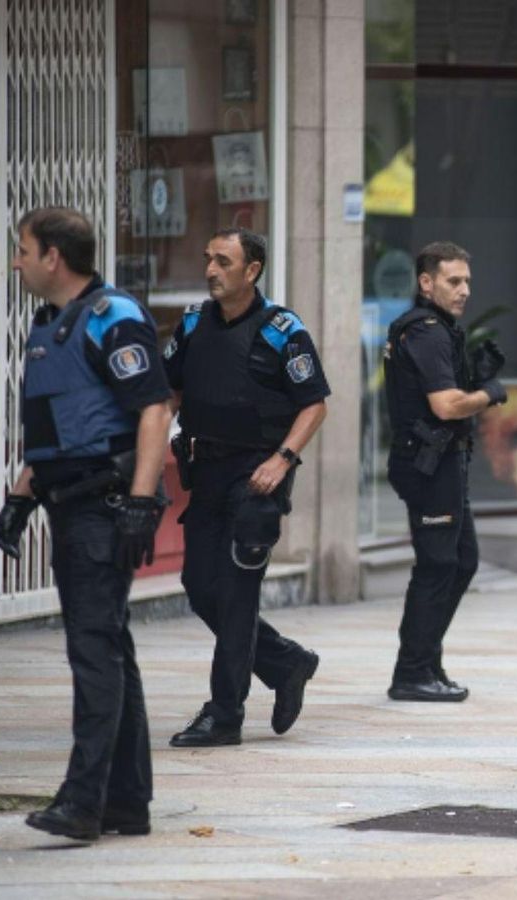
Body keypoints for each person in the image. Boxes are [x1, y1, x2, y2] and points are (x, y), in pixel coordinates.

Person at [0, 206, 171, 842]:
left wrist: (142, 504)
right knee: (110, 649)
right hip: (71, 503)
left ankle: (83, 801)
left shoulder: (111, 317)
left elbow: (153, 408)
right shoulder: (51, 326)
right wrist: (20, 500)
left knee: (94, 651)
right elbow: (59, 434)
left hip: (103, 506)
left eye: (22, 249)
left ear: (53, 258)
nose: (15, 262)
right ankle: (126, 803)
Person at [163, 228, 327, 747]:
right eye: (208, 259)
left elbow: (314, 403)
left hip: (257, 477)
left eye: (223, 261)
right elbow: (169, 391)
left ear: (251, 270)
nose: (211, 269)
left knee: (235, 595)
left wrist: (282, 459)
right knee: (198, 586)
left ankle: (225, 713)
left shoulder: (282, 329)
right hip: (206, 473)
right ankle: (285, 662)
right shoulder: (192, 323)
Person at [382, 242, 507, 702]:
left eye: (467, 281)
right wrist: (488, 393)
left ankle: (426, 661)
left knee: (462, 561)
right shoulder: (427, 331)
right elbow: (446, 404)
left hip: (443, 462)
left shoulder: (437, 330)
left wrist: (474, 375)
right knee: (437, 564)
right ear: (426, 282)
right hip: (429, 464)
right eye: (454, 281)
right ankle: (412, 671)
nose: (464, 290)